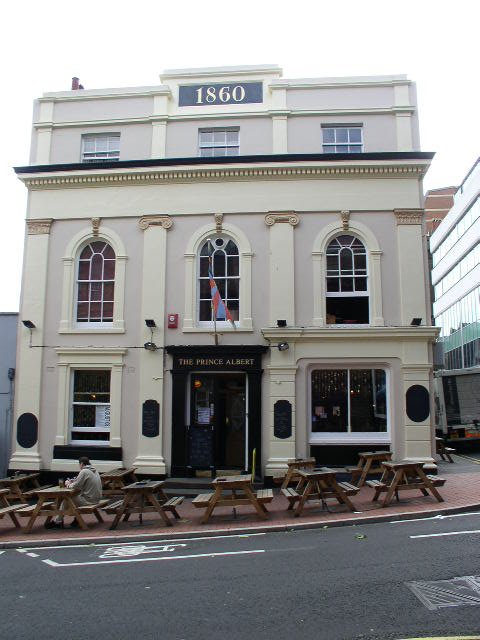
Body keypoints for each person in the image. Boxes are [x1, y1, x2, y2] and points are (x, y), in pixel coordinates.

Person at [45, 456, 102, 529]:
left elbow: (76, 486)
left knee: (67, 500)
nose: (79, 466)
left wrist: (68, 484)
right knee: (73, 499)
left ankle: (58, 522)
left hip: (89, 500)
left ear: (81, 464)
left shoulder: (84, 471)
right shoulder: (94, 471)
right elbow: (82, 482)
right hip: (96, 499)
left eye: (79, 464)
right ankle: (76, 520)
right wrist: (74, 481)